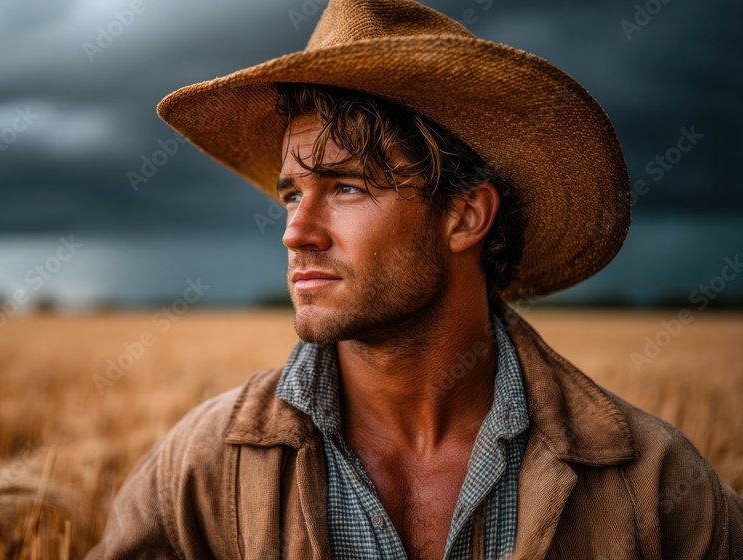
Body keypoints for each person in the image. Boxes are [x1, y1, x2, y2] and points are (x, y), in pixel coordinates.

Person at [88, 0, 743, 558]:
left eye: (344, 186)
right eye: (292, 195)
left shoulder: (655, 489)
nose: (297, 231)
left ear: (464, 215)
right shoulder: (205, 471)